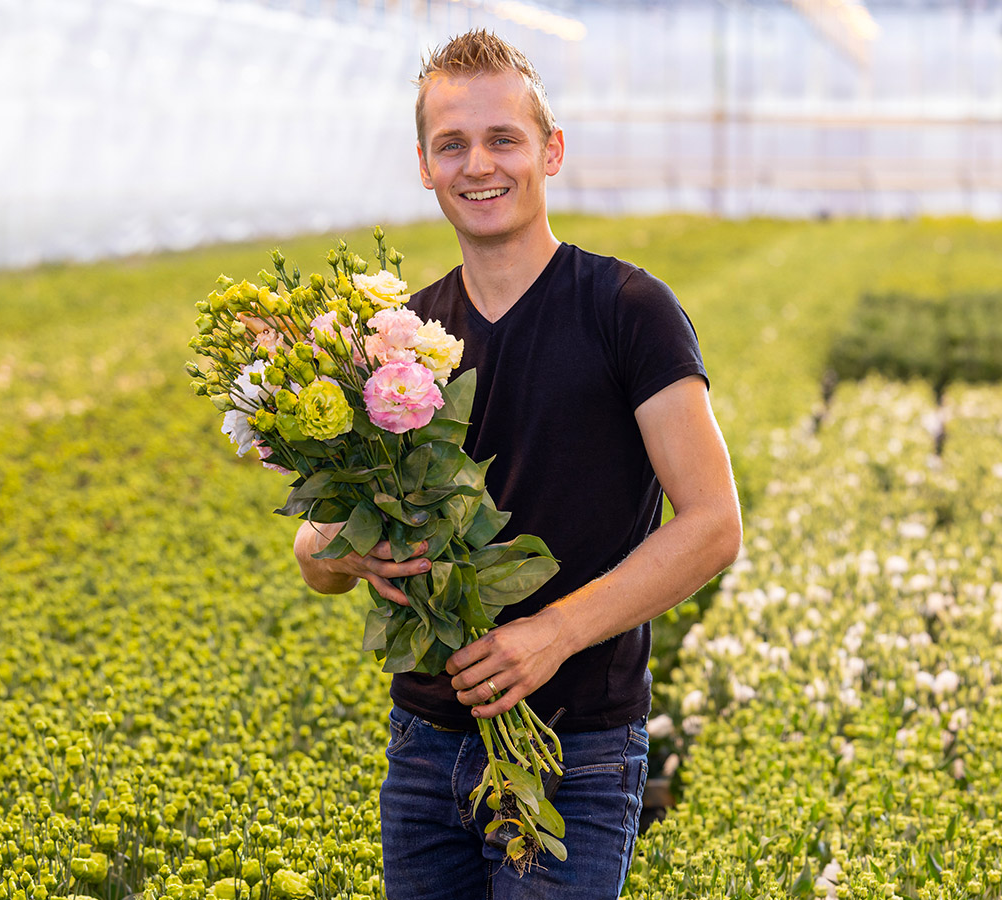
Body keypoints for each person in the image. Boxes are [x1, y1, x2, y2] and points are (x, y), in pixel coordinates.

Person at [292, 30, 742, 900]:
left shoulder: (627, 310)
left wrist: (554, 634)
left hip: (578, 748)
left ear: (551, 151)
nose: (479, 165)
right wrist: (342, 554)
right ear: (423, 165)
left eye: (504, 138)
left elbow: (713, 525)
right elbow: (316, 550)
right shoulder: (398, 342)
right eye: (452, 144)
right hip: (425, 750)